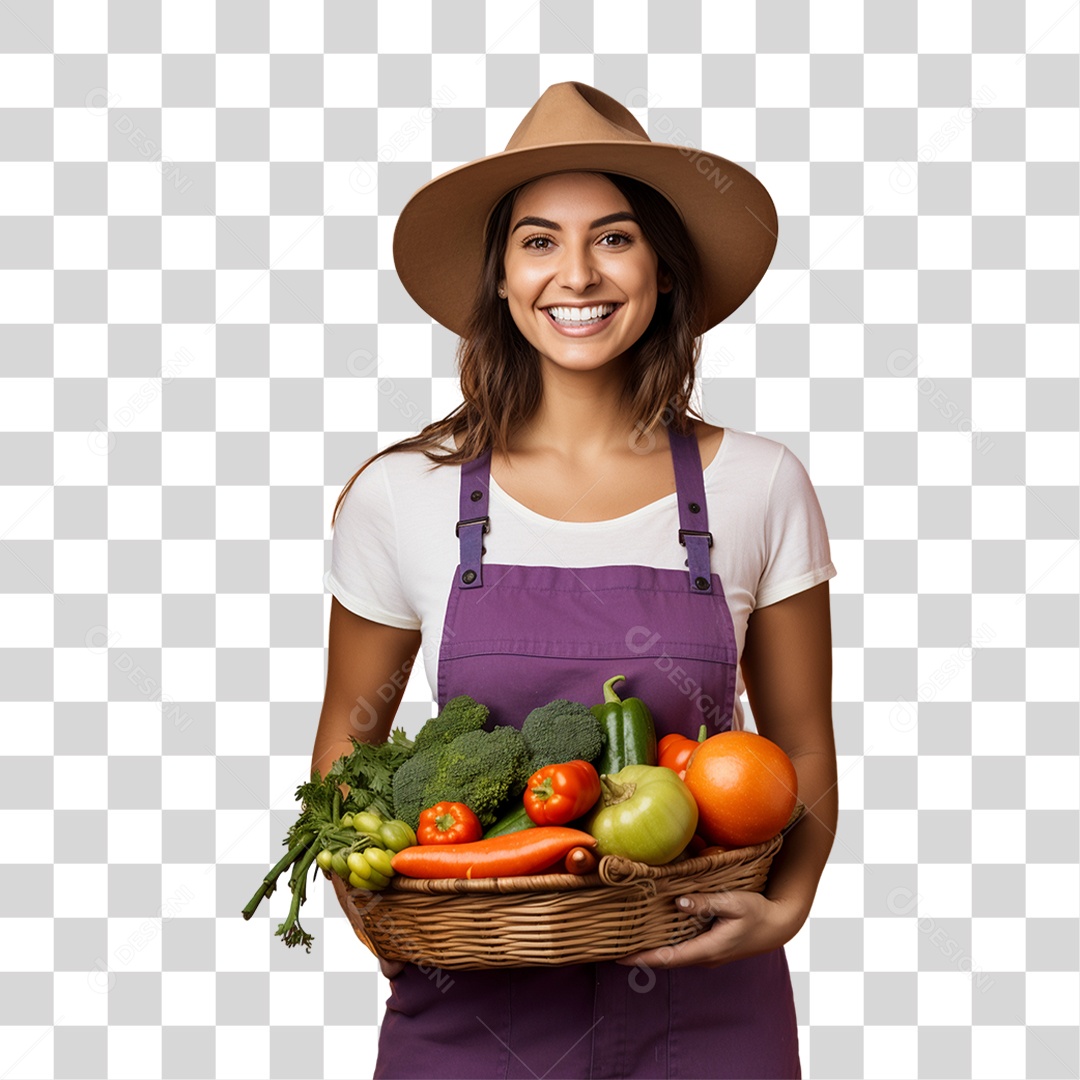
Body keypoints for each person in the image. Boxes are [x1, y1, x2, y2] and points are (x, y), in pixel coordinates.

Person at [310, 82, 838, 1079]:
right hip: (473, 1010)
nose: (578, 273)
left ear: (663, 272)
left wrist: (787, 907)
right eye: (540, 241)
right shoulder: (402, 496)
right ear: (501, 280)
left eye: (616, 236)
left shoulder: (761, 485)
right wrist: (382, 923)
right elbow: (348, 733)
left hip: (707, 1002)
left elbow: (803, 738)